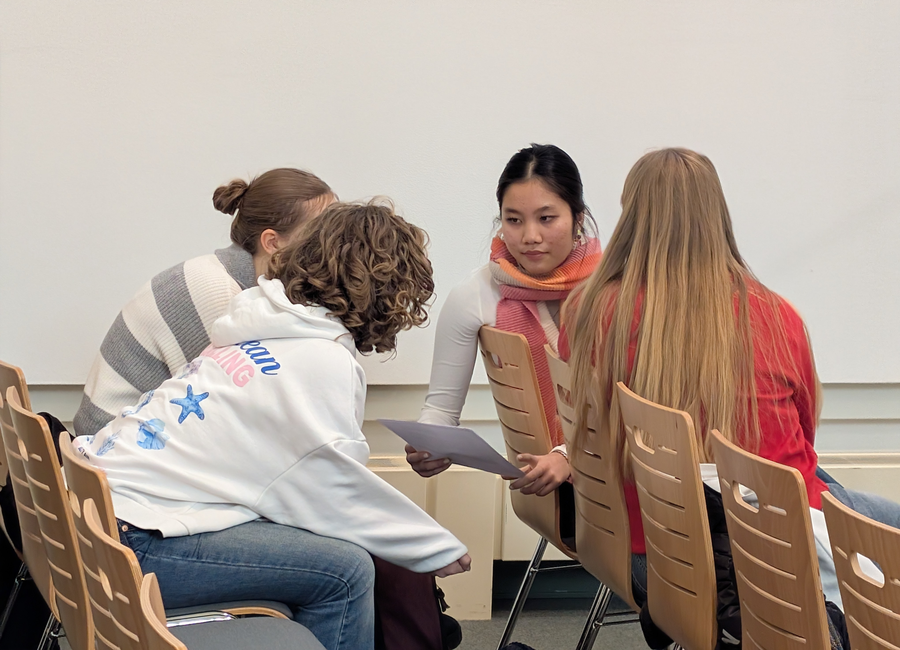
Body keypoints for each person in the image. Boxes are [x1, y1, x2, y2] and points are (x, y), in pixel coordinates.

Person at [72, 201, 471, 650]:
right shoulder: (322, 360)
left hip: (94, 515)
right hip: (132, 544)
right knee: (347, 572)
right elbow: (331, 489)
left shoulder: (258, 320)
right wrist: (435, 548)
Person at [563, 147, 898, 610]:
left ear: (630, 216)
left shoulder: (588, 311)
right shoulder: (777, 317)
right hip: (776, 556)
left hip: (646, 549)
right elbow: (803, 436)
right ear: (717, 216)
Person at [73, 167, 335, 436]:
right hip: (110, 441)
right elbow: (232, 410)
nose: (333, 243)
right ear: (272, 242)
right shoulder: (220, 292)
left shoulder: (228, 279)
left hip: (126, 436)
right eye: (320, 233)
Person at [407, 144, 601, 503]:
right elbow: (441, 410)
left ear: (578, 218)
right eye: (514, 220)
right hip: (546, 491)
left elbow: (635, 406)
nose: (529, 236)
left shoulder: (613, 289)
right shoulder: (475, 294)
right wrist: (428, 444)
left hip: (616, 477)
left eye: (546, 218)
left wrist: (568, 455)